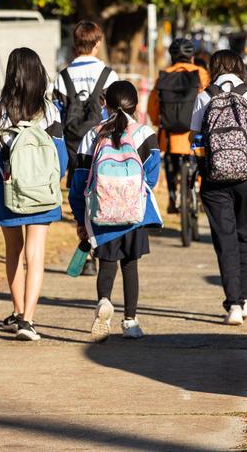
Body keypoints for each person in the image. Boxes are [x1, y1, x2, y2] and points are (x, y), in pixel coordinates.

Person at [0, 48, 68, 341]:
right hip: (41, 190)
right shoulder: (49, 110)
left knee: (13, 250)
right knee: (36, 253)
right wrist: (53, 180)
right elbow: (60, 156)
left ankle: (16, 312)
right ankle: (28, 319)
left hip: (6, 189)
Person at [69, 81, 162, 341]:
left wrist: (80, 219)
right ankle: (131, 321)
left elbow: (79, 181)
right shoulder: (145, 134)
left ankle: (104, 302)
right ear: (135, 105)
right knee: (130, 267)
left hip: (102, 212)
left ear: (105, 104)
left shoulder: (93, 134)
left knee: (106, 265)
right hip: (135, 214)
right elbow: (152, 178)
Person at [190, 50, 247, 325]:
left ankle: (234, 305)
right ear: (239, 65)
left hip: (214, 179)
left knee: (224, 239)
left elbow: (195, 138)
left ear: (214, 68)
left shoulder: (205, 95)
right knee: (244, 233)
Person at [54, 21, 118, 276]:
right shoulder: (108, 75)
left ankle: (86, 247)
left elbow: (58, 113)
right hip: (101, 142)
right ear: (98, 43)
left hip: (73, 144)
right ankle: (102, 246)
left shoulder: (63, 76)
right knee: (102, 193)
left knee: (79, 196)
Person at [147, 38, 209, 213]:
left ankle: (173, 198)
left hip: (170, 135)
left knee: (170, 162)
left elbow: (153, 105)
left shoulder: (164, 75)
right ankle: (202, 195)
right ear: (192, 57)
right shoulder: (202, 74)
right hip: (195, 134)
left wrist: (158, 122)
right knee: (203, 160)